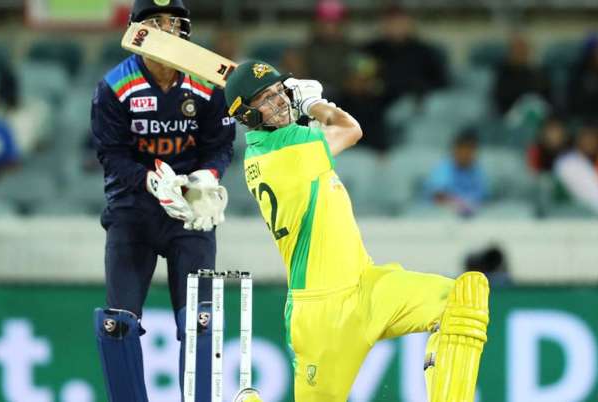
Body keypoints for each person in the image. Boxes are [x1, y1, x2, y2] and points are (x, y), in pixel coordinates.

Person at [224, 60, 489, 402]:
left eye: (279, 92)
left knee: (463, 297)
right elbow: (350, 129)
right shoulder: (284, 151)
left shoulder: (276, 145)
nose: (279, 102)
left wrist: (306, 113)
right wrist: (314, 104)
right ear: (247, 115)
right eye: (266, 99)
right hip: (322, 313)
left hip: (367, 285)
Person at [90, 1, 236, 401]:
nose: (167, 30)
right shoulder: (115, 86)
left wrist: (206, 177)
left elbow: (220, 146)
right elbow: (111, 155)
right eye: (156, 22)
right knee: (117, 325)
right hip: (132, 212)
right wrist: (152, 182)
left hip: (191, 212)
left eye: (174, 22)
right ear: (137, 32)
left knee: (201, 322)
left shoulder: (207, 83)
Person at [424, 129, 489, 218]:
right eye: (463, 149)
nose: (466, 154)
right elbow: (438, 197)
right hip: (441, 217)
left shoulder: (477, 171)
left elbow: (484, 198)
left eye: (470, 150)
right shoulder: (444, 168)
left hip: (473, 218)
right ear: (455, 150)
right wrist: (459, 205)